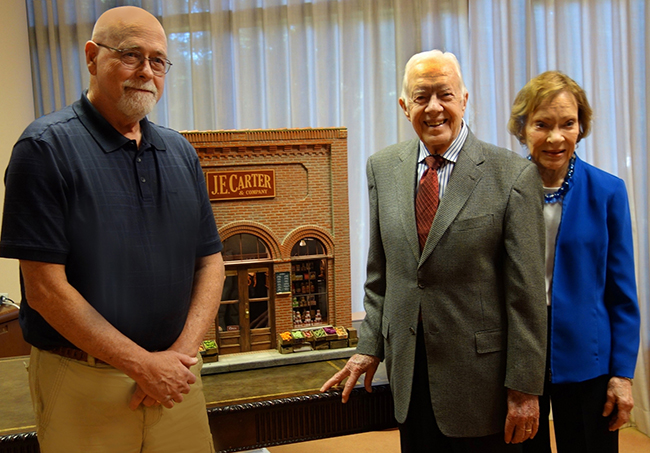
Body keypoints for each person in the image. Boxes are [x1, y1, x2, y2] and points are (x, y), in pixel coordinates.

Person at [0, 6, 225, 453]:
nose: (146, 71)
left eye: (157, 60)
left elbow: (211, 263)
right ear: (91, 57)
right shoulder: (44, 149)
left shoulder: (181, 152)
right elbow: (45, 289)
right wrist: (141, 364)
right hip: (84, 383)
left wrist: (175, 360)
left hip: (177, 380)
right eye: (129, 55)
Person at [321, 49, 548, 452]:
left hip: (485, 386)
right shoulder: (382, 168)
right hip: (411, 380)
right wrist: (368, 347)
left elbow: (527, 298)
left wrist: (526, 390)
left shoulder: (513, 175)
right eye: (421, 97)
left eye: (444, 94)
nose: (434, 108)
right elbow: (381, 276)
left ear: (464, 99)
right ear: (404, 106)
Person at [508, 71, 640, 453]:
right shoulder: (504, 190)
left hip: (589, 356)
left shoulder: (608, 191)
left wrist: (622, 375)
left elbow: (622, 294)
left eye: (568, 123)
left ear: (581, 127)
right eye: (541, 124)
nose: (555, 137)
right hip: (519, 352)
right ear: (522, 129)